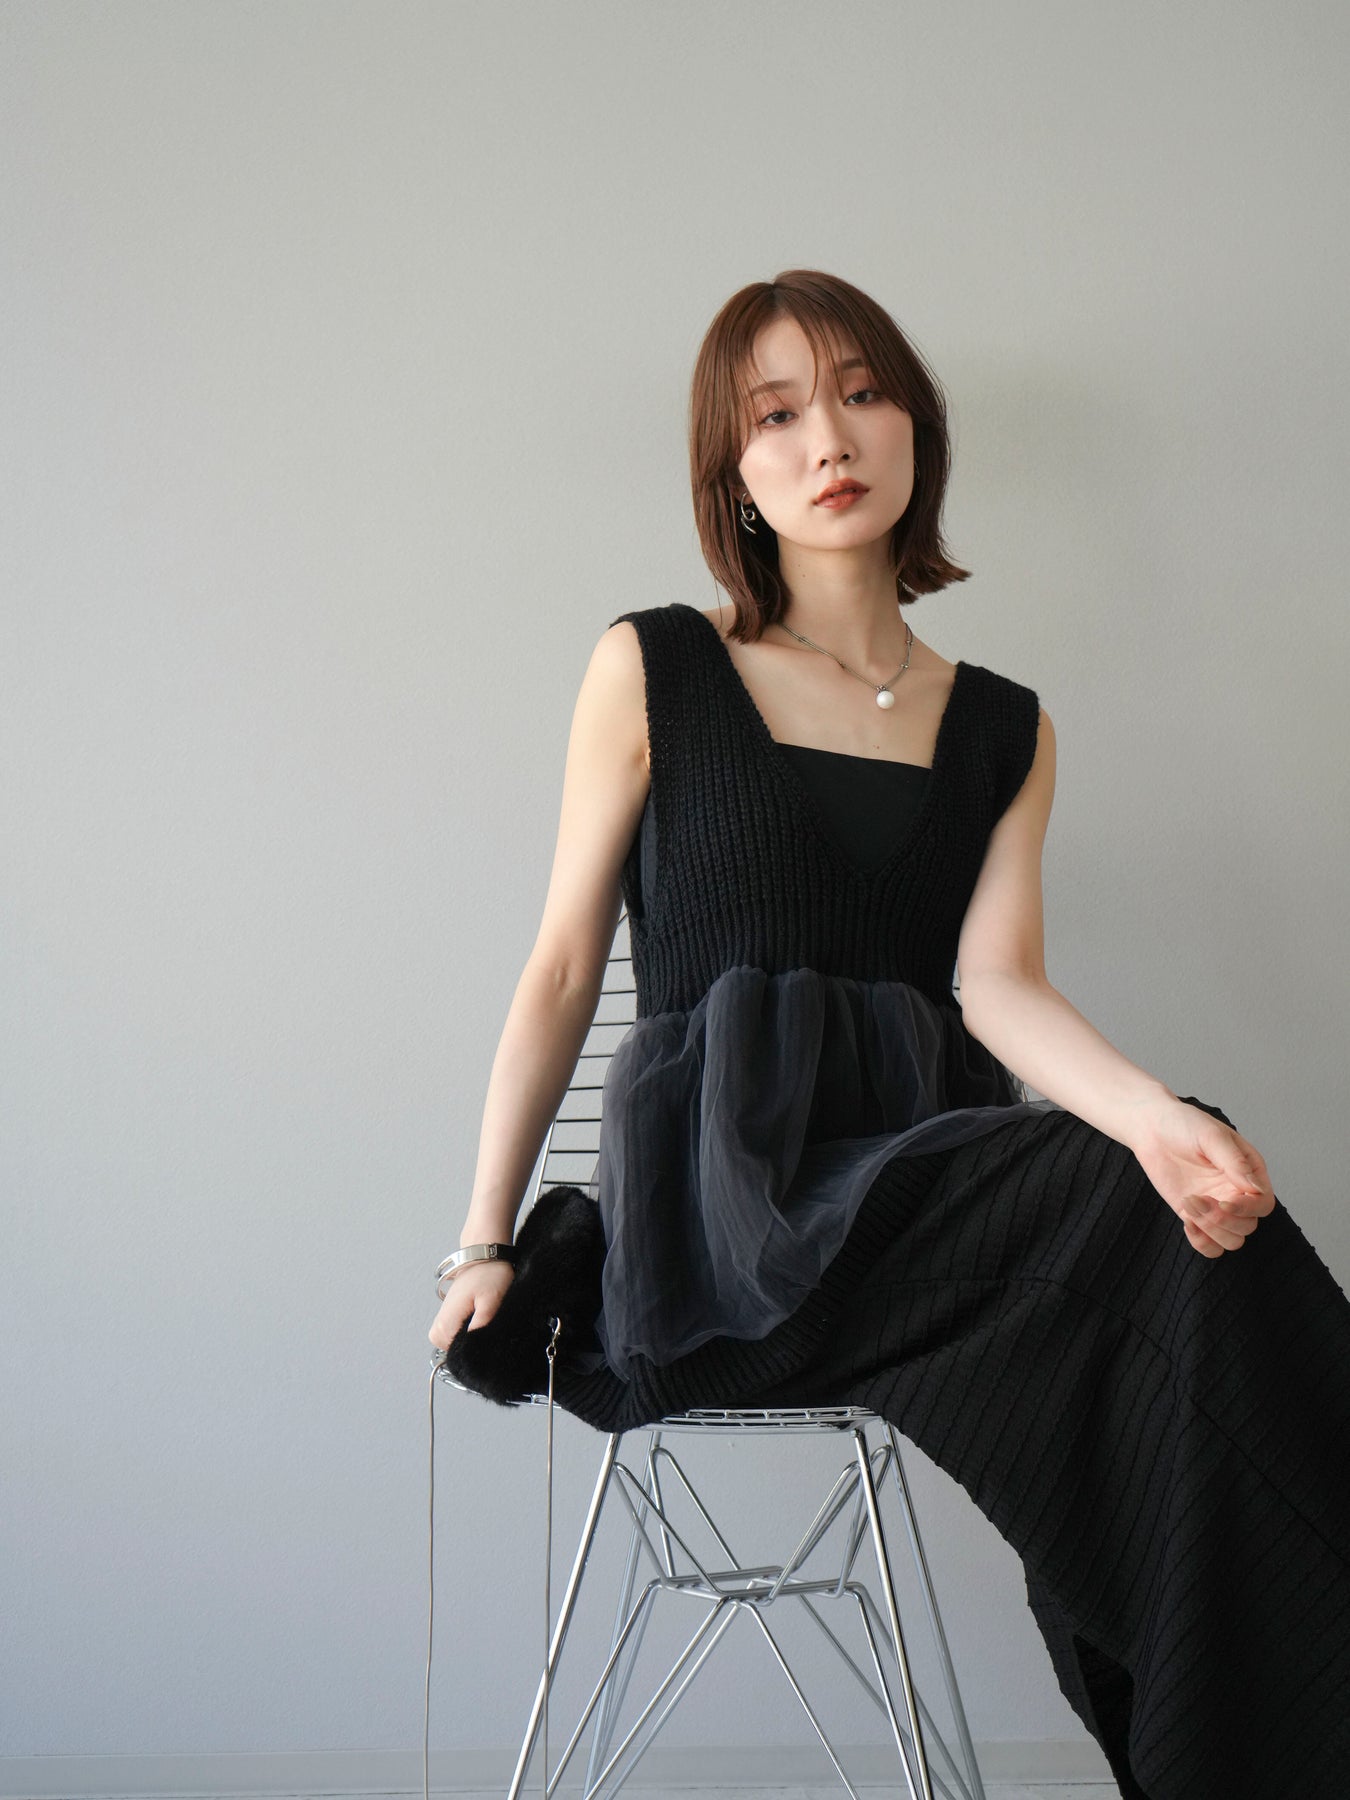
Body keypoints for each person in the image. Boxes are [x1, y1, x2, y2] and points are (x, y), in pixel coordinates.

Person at [429, 270, 1350, 1799]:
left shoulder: (1002, 727)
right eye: (774, 416)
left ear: (916, 426)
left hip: (922, 1189)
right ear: (732, 474)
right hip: (731, 1223)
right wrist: (480, 1240)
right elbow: (563, 967)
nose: (827, 439)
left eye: (861, 394)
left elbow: (999, 989)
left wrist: (1152, 1116)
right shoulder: (655, 667)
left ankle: (1238, 1728)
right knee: (1128, 1203)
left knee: (1190, 1211)